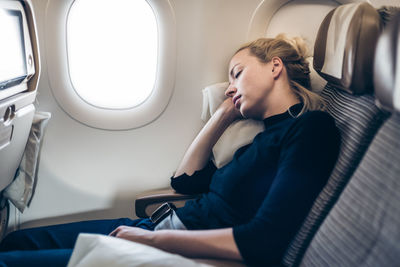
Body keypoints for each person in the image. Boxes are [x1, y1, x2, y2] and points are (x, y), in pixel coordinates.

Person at [0, 35, 340, 267]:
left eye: (237, 74)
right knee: (17, 242)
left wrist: (151, 242)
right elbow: (185, 181)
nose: (231, 88)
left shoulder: (311, 130)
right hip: (155, 227)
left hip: (176, 246)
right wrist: (224, 114)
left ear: (275, 67)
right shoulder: (262, 139)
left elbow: (262, 241)